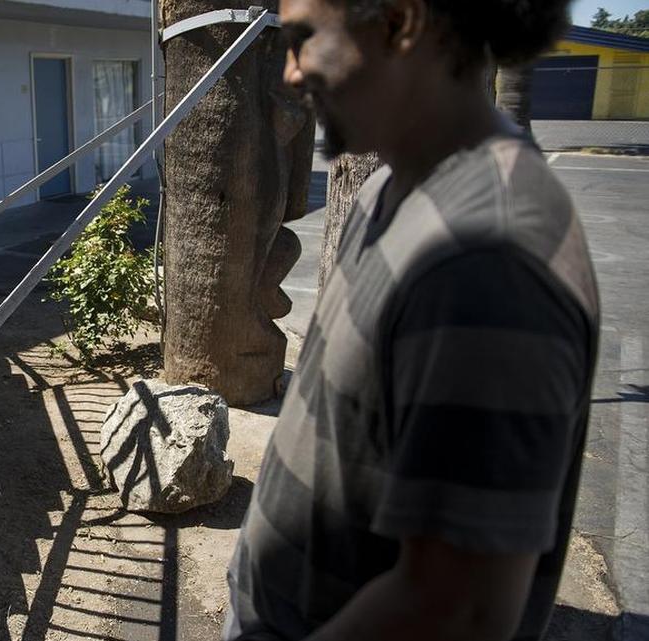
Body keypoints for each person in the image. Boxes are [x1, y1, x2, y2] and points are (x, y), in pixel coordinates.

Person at [225, 1, 599, 640]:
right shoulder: (391, 188)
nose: (290, 73)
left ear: (400, 22)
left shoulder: (486, 260)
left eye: (303, 39)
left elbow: (457, 611)